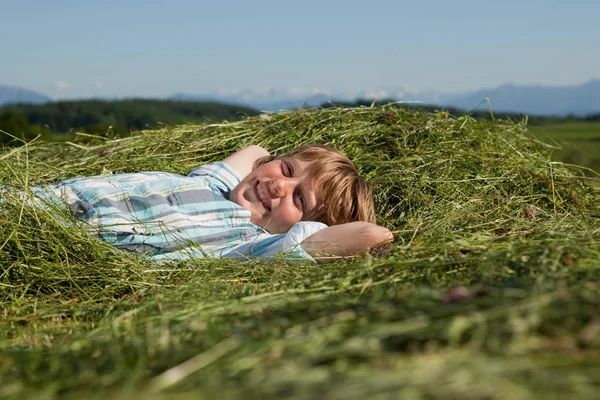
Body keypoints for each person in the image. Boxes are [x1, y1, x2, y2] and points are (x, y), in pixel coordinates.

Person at [30, 144, 393, 263]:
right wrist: (271, 166)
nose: (278, 184)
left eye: (299, 198)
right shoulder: (210, 183)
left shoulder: (246, 244)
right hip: (32, 201)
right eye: (285, 168)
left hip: (51, 236)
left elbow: (374, 234)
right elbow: (256, 151)